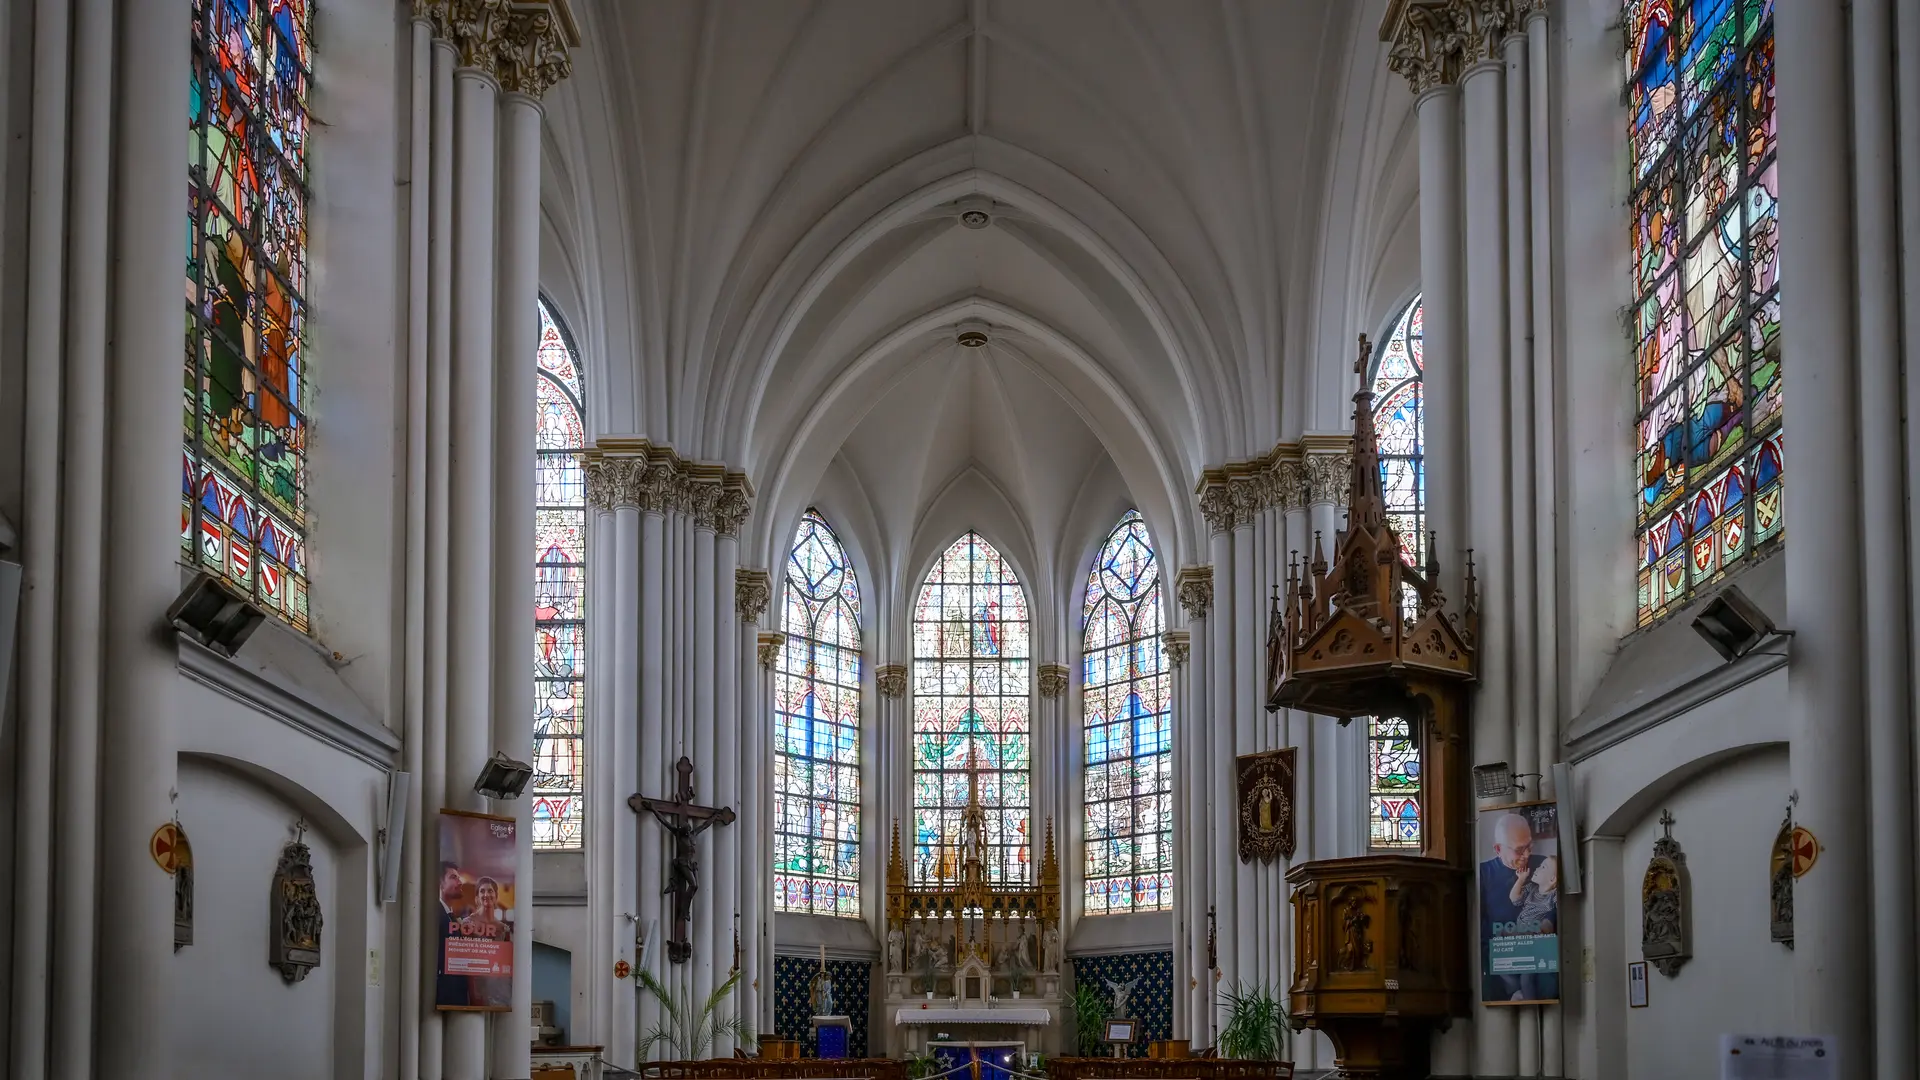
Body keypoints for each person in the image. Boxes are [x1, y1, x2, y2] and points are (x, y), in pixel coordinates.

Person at [1479, 812, 1558, 1002]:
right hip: (1501, 965)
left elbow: (1556, 905)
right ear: (1498, 849)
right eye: (1519, 849)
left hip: (1541, 961)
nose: (1527, 854)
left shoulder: (1544, 866)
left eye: (1529, 846)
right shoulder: (1484, 874)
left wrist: (1547, 924)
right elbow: (1480, 931)